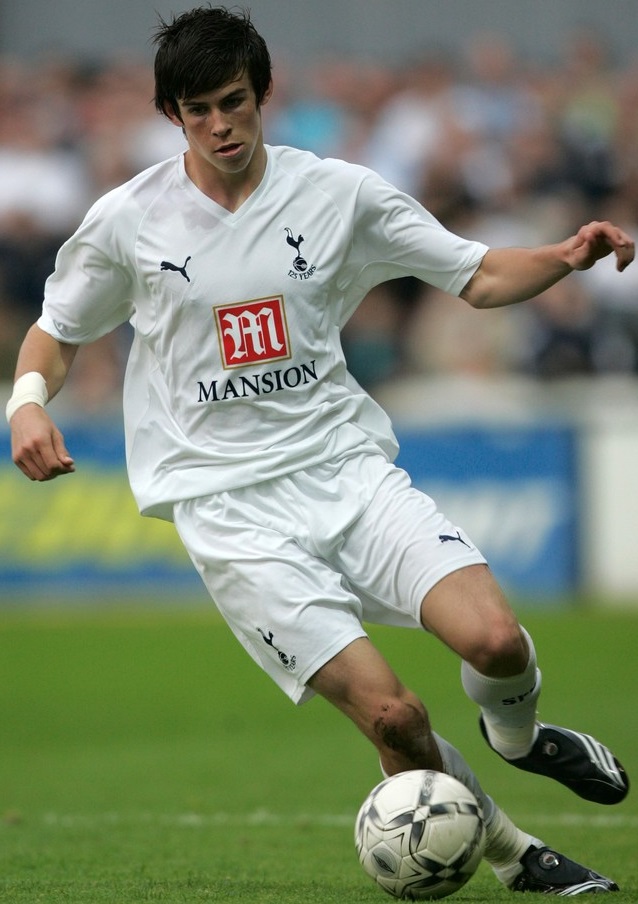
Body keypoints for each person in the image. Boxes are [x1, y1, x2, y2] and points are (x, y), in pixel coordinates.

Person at [6, 6, 633, 895]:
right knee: (397, 720)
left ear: (263, 93)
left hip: (344, 469)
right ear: (172, 115)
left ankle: (522, 736)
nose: (220, 126)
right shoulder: (127, 220)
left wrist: (565, 256)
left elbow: (479, 274)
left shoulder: (340, 194)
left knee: (496, 642)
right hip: (229, 511)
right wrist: (27, 404)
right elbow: (56, 331)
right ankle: (514, 854)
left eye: (233, 102)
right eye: (197, 111)